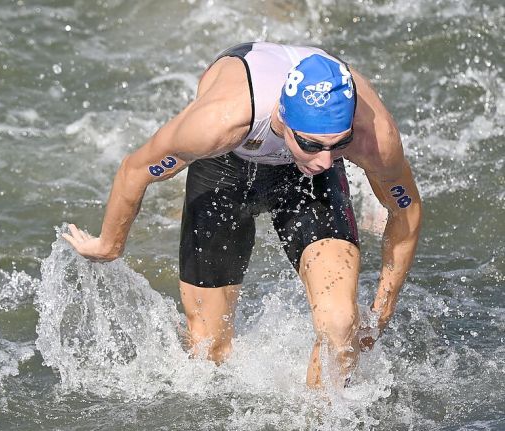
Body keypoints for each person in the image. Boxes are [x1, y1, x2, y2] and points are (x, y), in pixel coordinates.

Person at [63, 42, 422, 388]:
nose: (325, 159)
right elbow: (136, 170)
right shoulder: (219, 123)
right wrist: (109, 245)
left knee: (342, 326)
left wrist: (382, 310)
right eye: (311, 143)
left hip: (309, 185)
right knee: (209, 350)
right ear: (282, 117)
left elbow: (405, 209)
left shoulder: (371, 135)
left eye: (339, 144)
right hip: (226, 167)